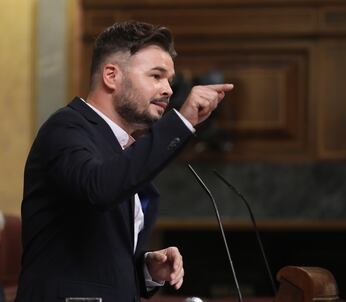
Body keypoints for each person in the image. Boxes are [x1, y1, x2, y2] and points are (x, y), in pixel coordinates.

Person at [16, 20, 233, 302]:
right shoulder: (66, 128)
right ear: (111, 75)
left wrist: (146, 269)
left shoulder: (121, 147)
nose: (168, 89)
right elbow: (99, 188)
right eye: (156, 76)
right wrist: (181, 122)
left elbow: (98, 257)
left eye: (169, 79)